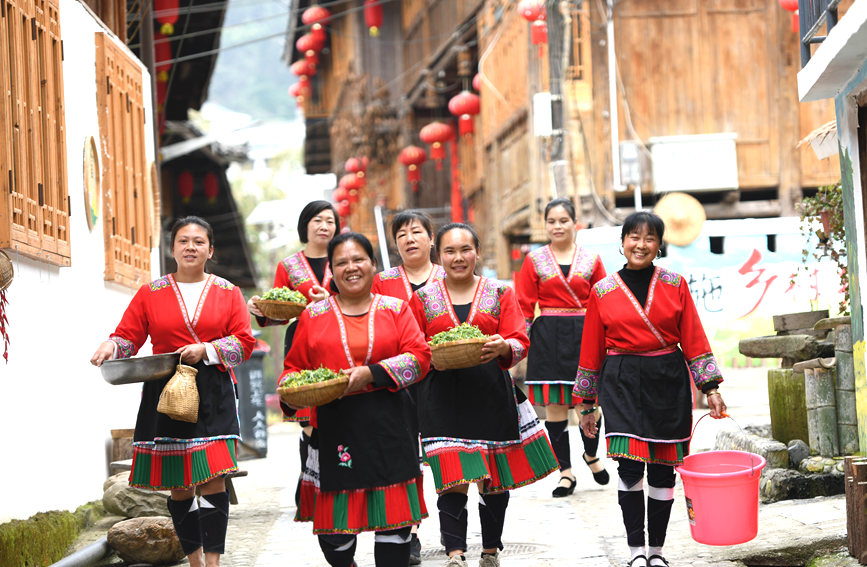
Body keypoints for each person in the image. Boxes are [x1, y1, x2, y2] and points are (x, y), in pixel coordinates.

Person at [91, 216, 255, 567]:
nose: (191, 247)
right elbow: (128, 336)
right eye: (183, 241)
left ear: (210, 250)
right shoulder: (151, 293)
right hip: (167, 395)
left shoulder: (229, 293)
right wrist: (110, 346)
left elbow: (244, 342)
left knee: (213, 481)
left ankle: (213, 562)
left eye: (199, 241)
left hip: (214, 392)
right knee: (181, 486)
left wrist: (207, 350)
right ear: (172, 248)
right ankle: (194, 560)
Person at [574, 211, 727, 567]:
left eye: (649, 239)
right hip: (622, 381)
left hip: (667, 381)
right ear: (622, 241)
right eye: (634, 237)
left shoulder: (675, 284)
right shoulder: (603, 290)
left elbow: (692, 336)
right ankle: (635, 552)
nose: (640, 245)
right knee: (629, 467)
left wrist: (710, 387)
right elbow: (592, 347)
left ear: (659, 246)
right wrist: (586, 404)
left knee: (662, 469)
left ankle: (656, 551)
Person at [409, 223, 558, 567]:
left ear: (477, 252)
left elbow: (520, 339)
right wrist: (430, 358)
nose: (458, 258)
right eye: (449, 251)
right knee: (451, 477)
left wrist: (505, 345)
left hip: (490, 395)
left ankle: (490, 551)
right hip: (441, 398)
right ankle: (455, 554)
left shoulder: (500, 293)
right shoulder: (423, 299)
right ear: (438, 255)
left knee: (493, 480)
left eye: (465, 250)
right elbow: (413, 347)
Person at [282, 232, 432, 567]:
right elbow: (293, 369)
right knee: (334, 538)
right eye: (341, 262)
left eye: (358, 259)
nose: (351, 268)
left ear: (373, 265)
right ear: (332, 271)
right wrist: (292, 397)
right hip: (336, 430)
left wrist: (373, 373)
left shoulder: (396, 309)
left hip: (391, 429)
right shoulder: (314, 315)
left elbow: (419, 357)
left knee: (394, 529)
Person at [246, 200, 340, 503]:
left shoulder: (346, 259)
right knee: (306, 416)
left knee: (337, 409)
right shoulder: (288, 266)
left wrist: (330, 300)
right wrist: (260, 309)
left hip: (340, 341)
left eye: (330, 221)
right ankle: (310, 478)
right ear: (305, 226)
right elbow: (281, 310)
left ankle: (334, 478)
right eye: (317, 220)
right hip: (301, 340)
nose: (324, 226)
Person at [516, 198, 609, 498]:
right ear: (545, 225)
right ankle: (565, 473)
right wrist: (518, 348)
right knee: (555, 408)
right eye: (552, 221)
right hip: (549, 339)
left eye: (563, 220)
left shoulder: (592, 260)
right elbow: (524, 307)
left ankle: (591, 456)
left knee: (588, 402)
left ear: (575, 223)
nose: (558, 226)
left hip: (586, 335)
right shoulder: (534, 260)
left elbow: (605, 300)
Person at [371, 210, 444, 564]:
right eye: (401, 234)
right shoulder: (382, 282)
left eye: (417, 232)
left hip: (447, 376)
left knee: (447, 454)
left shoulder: (449, 274)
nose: (410, 239)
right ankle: (410, 530)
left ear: (432, 239)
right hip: (402, 380)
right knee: (408, 459)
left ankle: (452, 521)